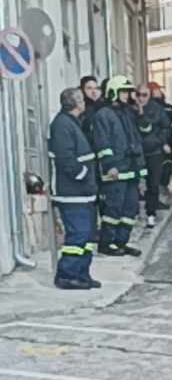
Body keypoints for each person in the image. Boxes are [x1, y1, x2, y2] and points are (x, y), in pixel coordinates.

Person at [49, 86, 101, 290]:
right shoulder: (62, 125)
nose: (84, 102)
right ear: (76, 103)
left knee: (86, 236)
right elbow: (65, 158)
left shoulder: (72, 122)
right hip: (72, 192)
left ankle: (81, 274)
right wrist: (83, 174)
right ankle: (66, 275)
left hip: (82, 192)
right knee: (77, 235)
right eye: (81, 99)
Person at [81, 75, 138, 256]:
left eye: (128, 92)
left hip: (131, 169)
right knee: (113, 209)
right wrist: (110, 165)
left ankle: (121, 242)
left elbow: (135, 140)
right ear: (113, 92)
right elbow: (102, 143)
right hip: (115, 171)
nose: (127, 95)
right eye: (123, 91)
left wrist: (140, 166)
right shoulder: (103, 115)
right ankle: (106, 243)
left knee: (130, 209)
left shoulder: (127, 113)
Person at [135, 83, 169, 226]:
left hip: (154, 152)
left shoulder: (157, 109)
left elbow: (165, 127)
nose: (141, 98)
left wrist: (159, 141)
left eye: (144, 95)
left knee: (153, 184)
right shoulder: (131, 109)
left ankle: (151, 213)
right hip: (137, 153)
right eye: (138, 95)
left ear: (149, 96)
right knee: (134, 184)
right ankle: (134, 213)